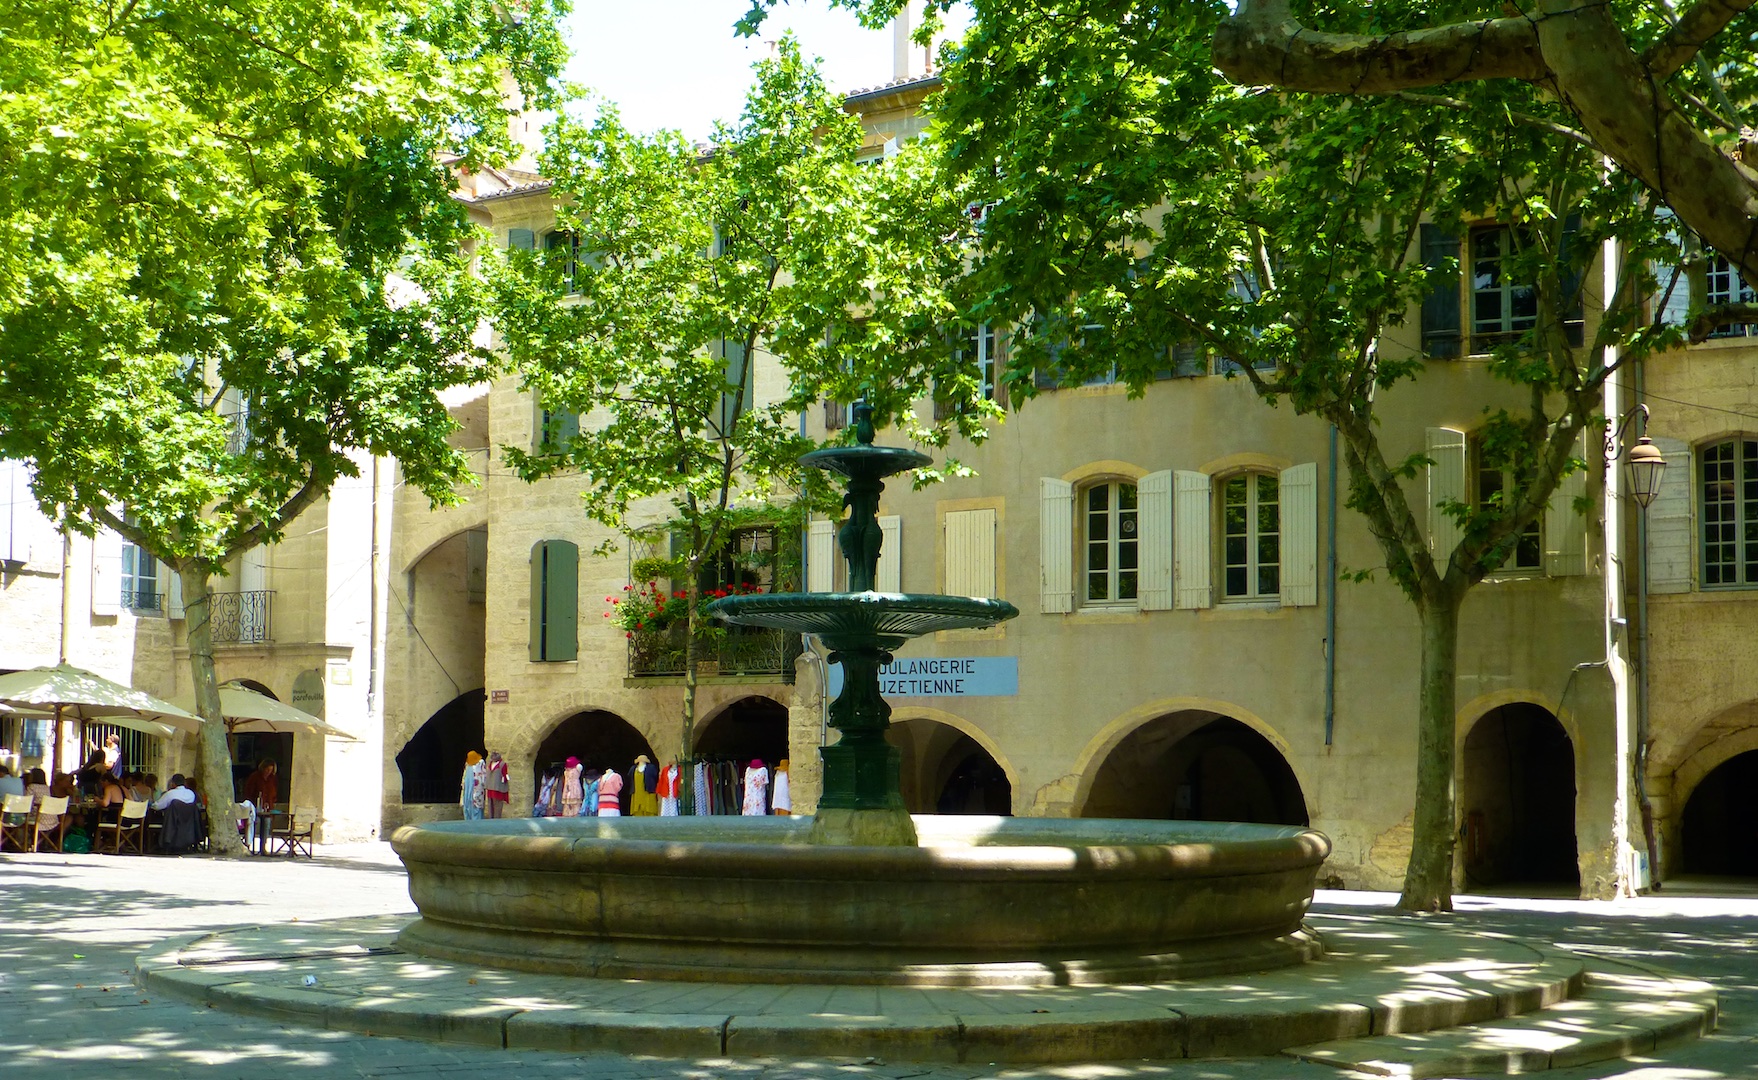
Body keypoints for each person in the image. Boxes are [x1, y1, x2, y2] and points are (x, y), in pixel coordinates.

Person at [460, 751, 485, 820]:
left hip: (477, 788)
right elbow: (464, 775)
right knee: (468, 803)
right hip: (468, 787)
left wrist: (483, 784)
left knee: (476, 803)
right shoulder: (467, 764)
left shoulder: (480, 763)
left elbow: (483, 774)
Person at [484, 752, 509, 819]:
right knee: (490, 805)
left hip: (498, 788)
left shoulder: (502, 764)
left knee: (498, 805)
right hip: (490, 788)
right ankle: (491, 819)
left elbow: (505, 774)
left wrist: (505, 781)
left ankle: (497, 820)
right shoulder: (490, 764)